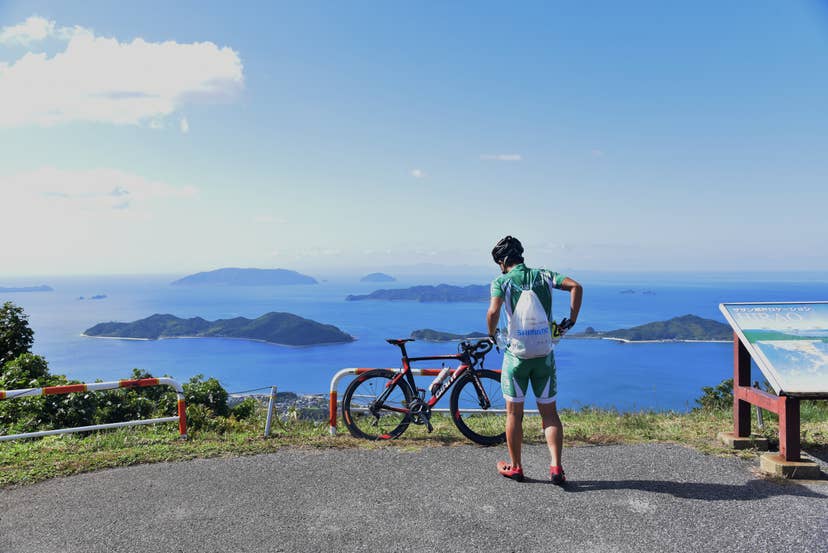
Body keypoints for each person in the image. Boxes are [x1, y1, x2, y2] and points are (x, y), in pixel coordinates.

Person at [486, 236, 582, 484]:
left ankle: (516, 467)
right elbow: (576, 287)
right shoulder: (545, 275)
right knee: (549, 413)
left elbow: (494, 312)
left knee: (514, 414)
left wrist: (492, 335)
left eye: (499, 262)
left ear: (503, 261)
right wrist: (569, 322)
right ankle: (556, 468)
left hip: (516, 357)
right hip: (544, 356)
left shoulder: (501, 281)